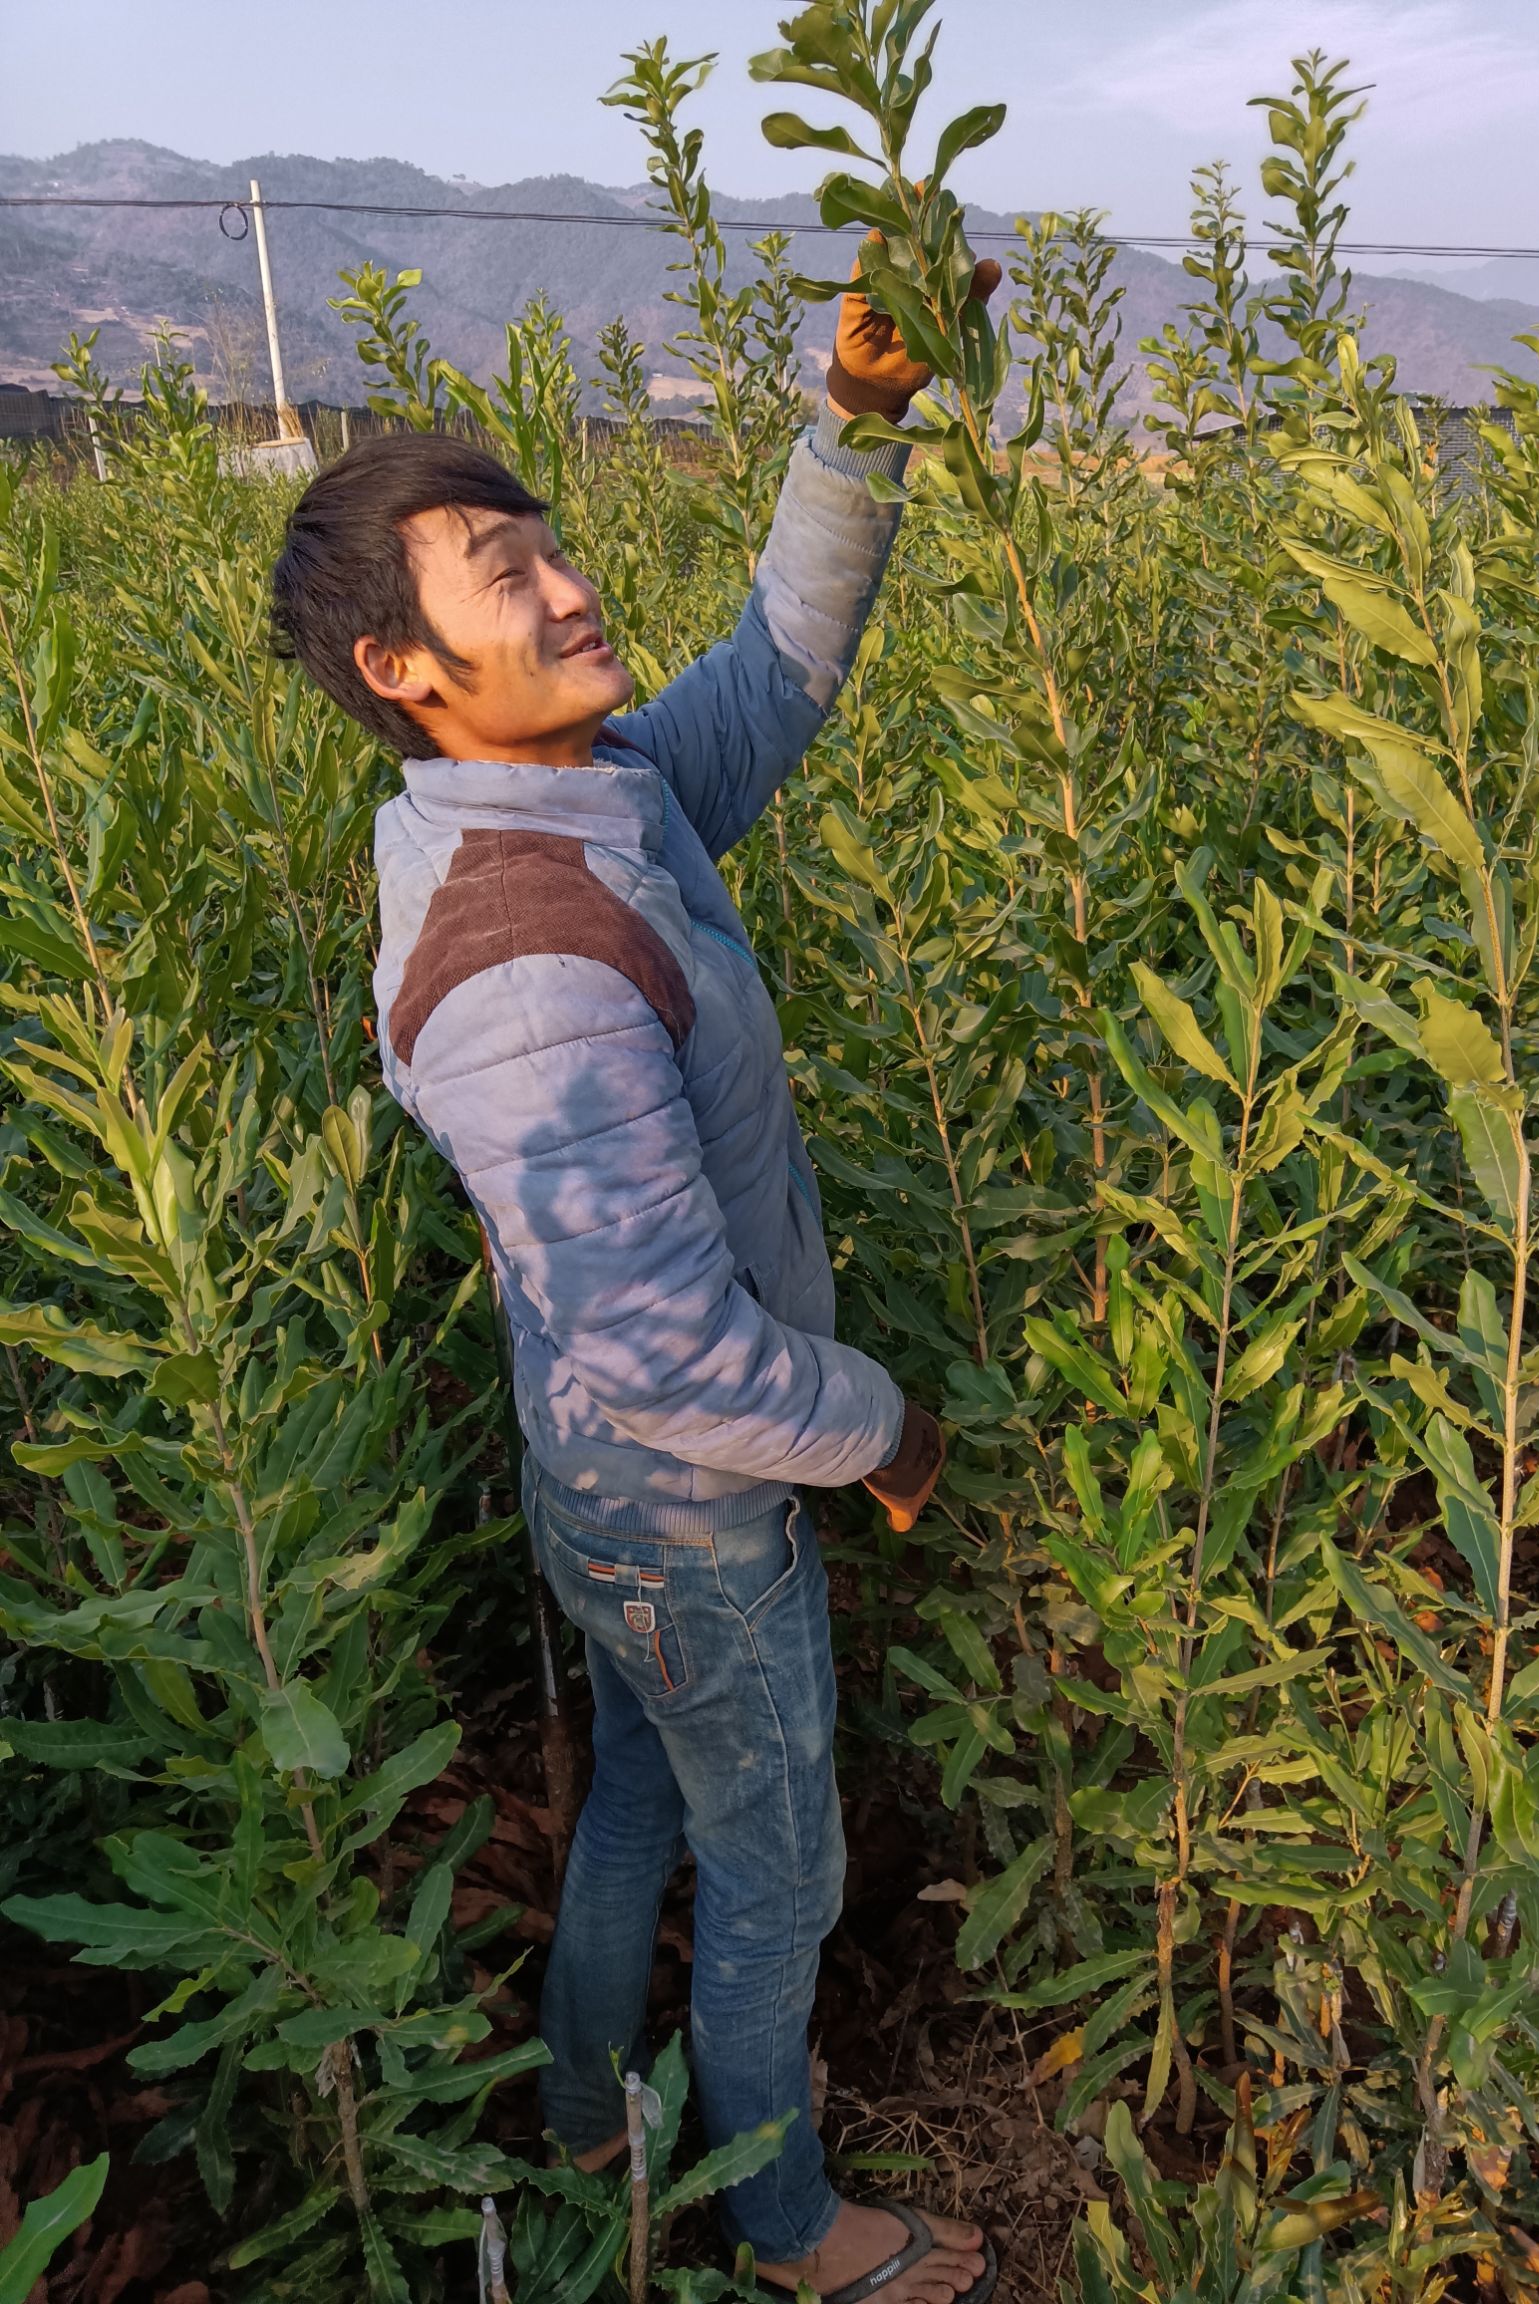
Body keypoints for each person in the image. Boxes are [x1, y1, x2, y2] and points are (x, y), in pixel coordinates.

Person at [270, 256, 1000, 2304]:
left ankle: (590, 2116)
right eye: (504, 573)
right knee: (780, 1857)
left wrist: (854, 425)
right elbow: (673, 1342)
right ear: (401, 664)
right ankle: (782, 2223)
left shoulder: (585, 799)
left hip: (609, 1486)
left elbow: (769, 676)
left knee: (639, 1812)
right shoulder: (527, 968)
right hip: (683, 1495)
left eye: (549, 543)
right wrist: (886, 1435)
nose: (569, 585)